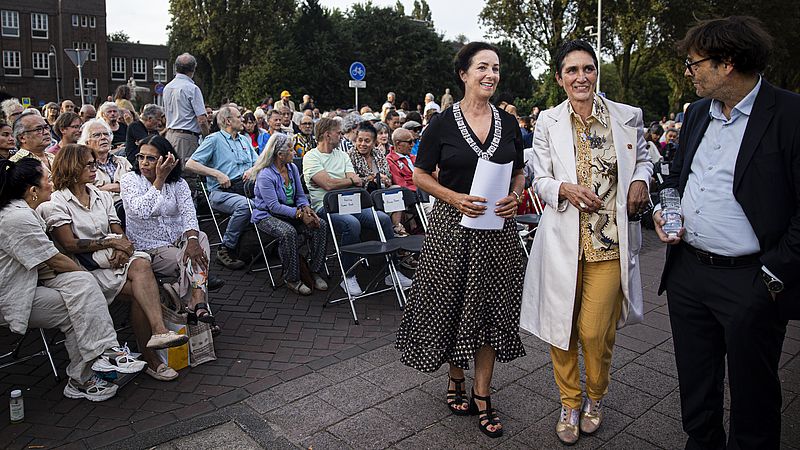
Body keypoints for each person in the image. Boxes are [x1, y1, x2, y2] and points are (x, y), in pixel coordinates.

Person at [655, 16, 800, 449]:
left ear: (727, 63)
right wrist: (668, 212)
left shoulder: (790, 114)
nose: (688, 71)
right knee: (697, 386)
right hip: (688, 273)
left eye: (694, 63)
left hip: (752, 278)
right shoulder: (698, 112)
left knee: (754, 393)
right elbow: (676, 175)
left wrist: (773, 275)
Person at [519, 40, 652, 445]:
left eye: (588, 69)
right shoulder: (548, 122)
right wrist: (563, 187)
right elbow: (538, 177)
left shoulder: (627, 116)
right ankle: (570, 402)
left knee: (595, 332)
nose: (581, 77)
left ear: (597, 73)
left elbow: (645, 157)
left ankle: (596, 397)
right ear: (560, 79)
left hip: (609, 242)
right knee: (561, 328)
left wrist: (641, 179)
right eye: (572, 70)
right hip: (563, 242)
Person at [395, 42, 527, 439]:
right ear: (464, 74)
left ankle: (483, 393)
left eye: (496, 68)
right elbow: (420, 175)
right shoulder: (441, 124)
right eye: (482, 67)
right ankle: (455, 377)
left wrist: (516, 196)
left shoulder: (509, 125)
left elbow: (519, 172)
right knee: (449, 305)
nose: (491, 74)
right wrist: (454, 198)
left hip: (497, 232)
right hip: (452, 229)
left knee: (491, 309)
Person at [0, 158, 147, 401]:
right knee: (80, 302)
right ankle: (89, 370)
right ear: (33, 191)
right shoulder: (17, 218)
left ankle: (100, 360)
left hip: (35, 281)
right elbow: (55, 260)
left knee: (81, 292)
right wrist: (88, 277)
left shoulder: (24, 210)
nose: (52, 184)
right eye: (47, 179)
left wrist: (84, 279)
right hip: (13, 294)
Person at [41, 144, 190, 380]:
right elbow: (68, 244)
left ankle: (157, 338)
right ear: (72, 166)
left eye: (94, 163)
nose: (94, 168)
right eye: (89, 164)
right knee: (141, 290)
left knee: (140, 267)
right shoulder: (56, 202)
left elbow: (117, 230)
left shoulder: (100, 195)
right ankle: (153, 352)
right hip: (83, 269)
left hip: (113, 261)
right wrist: (112, 244)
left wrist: (124, 246)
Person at [121, 135, 220, 338]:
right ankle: (199, 310)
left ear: (167, 160)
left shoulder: (178, 183)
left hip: (177, 240)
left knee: (199, 240)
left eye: (151, 158)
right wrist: (159, 180)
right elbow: (141, 211)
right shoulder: (129, 180)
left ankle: (194, 301)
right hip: (150, 247)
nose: (144, 163)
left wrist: (191, 241)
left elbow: (188, 213)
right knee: (194, 263)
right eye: (141, 157)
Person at [303, 117, 412, 296]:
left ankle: (392, 271)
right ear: (326, 135)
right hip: (325, 207)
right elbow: (329, 185)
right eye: (338, 132)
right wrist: (347, 181)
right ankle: (349, 276)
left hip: (350, 203)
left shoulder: (342, 154)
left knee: (383, 218)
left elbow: (357, 182)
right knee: (351, 224)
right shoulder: (311, 157)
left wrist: (342, 182)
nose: (341, 135)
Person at [251, 133, 328, 295]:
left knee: (320, 225)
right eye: (291, 150)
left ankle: (315, 271)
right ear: (280, 155)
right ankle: (291, 278)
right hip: (266, 216)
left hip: (292, 212)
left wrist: (306, 208)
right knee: (288, 233)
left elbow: (300, 195)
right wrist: (300, 215)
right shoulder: (265, 175)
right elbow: (273, 206)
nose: (295, 153)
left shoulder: (292, 168)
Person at [185, 106, 258, 270]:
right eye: (239, 117)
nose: (243, 120)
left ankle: (266, 245)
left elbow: (258, 162)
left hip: (246, 186)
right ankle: (226, 248)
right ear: (228, 121)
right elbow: (190, 164)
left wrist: (252, 170)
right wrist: (217, 174)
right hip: (222, 191)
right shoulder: (214, 140)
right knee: (247, 206)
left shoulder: (244, 139)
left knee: (273, 198)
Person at [164, 53, 210, 163]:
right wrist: (208, 138)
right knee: (188, 175)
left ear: (176, 68)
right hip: (186, 138)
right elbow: (202, 120)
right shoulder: (192, 88)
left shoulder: (167, 87)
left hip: (169, 135)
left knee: (171, 174)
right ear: (193, 69)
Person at [78, 118, 132, 205]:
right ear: (87, 142)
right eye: (97, 135)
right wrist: (120, 187)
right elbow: (85, 192)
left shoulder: (123, 161)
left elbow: (134, 185)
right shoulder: (83, 165)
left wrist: (107, 187)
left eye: (106, 134)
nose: (103, 137)